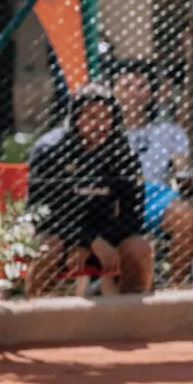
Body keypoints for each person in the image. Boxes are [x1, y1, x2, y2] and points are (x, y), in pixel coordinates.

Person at [24, 83, 154, 298]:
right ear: (75, 118)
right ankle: (36, 316)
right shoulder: (50, 150)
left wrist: (98, 242)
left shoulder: (124, 154)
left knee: (139, 248)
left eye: (106, 118)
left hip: (107, 237)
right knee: (49, 248)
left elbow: (133, 216)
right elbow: (41, 211)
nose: (100, 125)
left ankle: (130, 318)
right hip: (58, 234)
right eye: (91, 117)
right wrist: (85, 240)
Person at [109, 58, 193, 285]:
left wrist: (186, 172)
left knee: (186, 216)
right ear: (113, 91)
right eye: (126, 86)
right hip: (115, 193)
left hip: (155, 194)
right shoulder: (102, 131)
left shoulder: (169, 132)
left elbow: (183, 174)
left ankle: (176, 287)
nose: (133, 94)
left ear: (151, 93)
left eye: (141, 87)